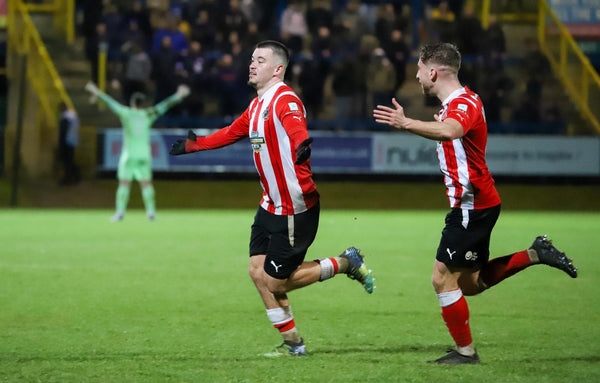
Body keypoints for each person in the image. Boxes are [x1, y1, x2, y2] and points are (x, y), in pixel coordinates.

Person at [373, 42, 578, 365]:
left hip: (473, 207)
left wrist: (407, 123)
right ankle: (535, 252)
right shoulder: (455, 104)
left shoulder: (464, 104)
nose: (415, 75)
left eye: (418, 69)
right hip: (474, 205)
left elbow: (451, 131)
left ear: (433, 71)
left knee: (442, 278)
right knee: (469, 284)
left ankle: (466, 353)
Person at [169, 40, 375, 356]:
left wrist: (302, 142)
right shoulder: (256, 106)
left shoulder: (284, 99)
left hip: (294, 206)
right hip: (270, 204)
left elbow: (295, 126)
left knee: (276, 282)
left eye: (260, 60)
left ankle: (345, 262)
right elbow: (230, 132)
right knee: (257, 271)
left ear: (278, 68)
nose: (252, 64)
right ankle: (294, 344)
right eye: (252, 59)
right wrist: (194, 146)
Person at [84, 82, 190, 221]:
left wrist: (97, 92)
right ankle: (151, 213)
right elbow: (164, 105)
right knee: (146, 184)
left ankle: (120, 213)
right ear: (143, 104)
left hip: (129, 155)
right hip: (144, 155)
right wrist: (178, 95)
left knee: (124, 183)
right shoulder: (148, 114)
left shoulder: (126, 113)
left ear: (132, 103)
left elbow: (111, 103)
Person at [57, 103, 81, 185]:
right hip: (73, 140)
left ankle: (68, 178)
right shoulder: (73, 115)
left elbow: (62, 133)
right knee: (70, 160)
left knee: (67, 161)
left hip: (66, 142)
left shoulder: (65, 118)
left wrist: (60, 145)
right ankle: (75, 177)